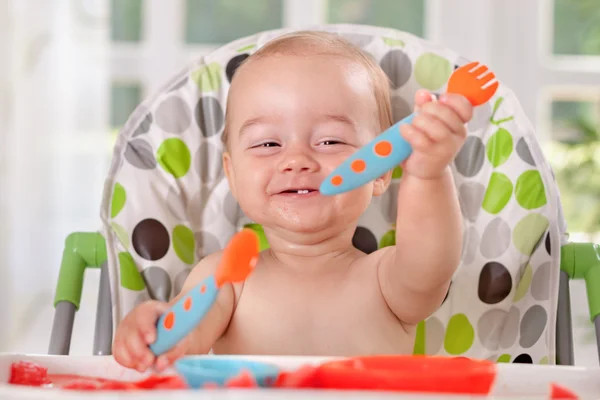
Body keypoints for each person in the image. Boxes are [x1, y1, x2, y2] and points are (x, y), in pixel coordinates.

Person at [112, 31, 474, 372]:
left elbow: (431, 261)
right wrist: (157, 334)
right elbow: (187, 336)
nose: (297, 159)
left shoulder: (385, 279)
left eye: (330, 141)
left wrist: (427, 173)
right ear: (233, 175)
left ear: (380, 173)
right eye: (268, 144)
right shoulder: (227, 279)